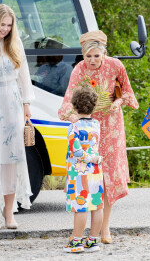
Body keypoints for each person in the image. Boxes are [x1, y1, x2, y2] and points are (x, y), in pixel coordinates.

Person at [58, 30, 139, 244]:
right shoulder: (78, 70)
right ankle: (81, 230)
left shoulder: (116, 66)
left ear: (104, 52)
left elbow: (128, 93)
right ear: (83, 55)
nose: (92, 60)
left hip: (111, 126)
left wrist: (118, 102)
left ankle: (105, 228)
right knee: (87, 174)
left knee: (107, 176)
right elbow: (68, 99)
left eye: (96, 55)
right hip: (88, 128)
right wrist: (72, 115)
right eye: (88, 56)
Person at [0, 4, 34, 230]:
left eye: (9, 25)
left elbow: (24, 76)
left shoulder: (16, 43)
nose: (5, 29)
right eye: (2, 24)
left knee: (12, 157)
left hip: (12, 100)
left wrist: (27, 104)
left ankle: (9, 211)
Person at [63, 86, 103, 253]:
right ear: (94, 106)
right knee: (96, 204)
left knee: (81, 206)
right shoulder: (96, 124)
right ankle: (92, 240)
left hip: (79, 172)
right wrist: (94, 159)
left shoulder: (74, 127)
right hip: (95, 170)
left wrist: (88, 158)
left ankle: (76, 241)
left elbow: (77, 151)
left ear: (74, 105)